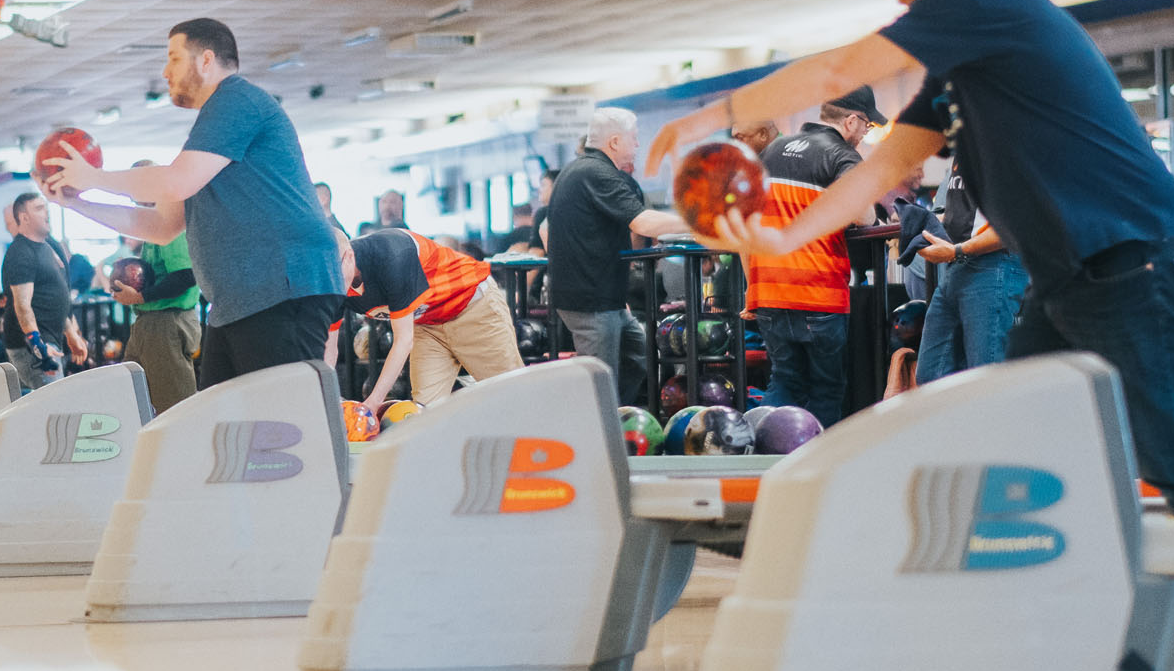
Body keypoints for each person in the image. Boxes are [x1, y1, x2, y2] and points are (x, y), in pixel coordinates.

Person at [647, 0, 1174, 671]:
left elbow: (846, 66)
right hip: (1067, 279)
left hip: (1138, 260)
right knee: (1013, 440)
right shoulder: (962, 64)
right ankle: (1058, 623)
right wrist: (781, 236)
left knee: (1170, 453)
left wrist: (714, 114)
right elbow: (882, 171)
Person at [43, 18, 346, 388]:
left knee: (283, 427)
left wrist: (94, 179)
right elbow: (161, 225)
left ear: (205, 60)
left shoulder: (237, 100)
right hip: (241, 302)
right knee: (221, 427)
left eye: (173, 58)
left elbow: (174, 181)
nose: (166, 71)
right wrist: (78, 203)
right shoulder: (211, 133)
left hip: (282, 291)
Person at [724, 87, 884, 430]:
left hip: (769, 293)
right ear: (851, 121)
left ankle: (760, 455)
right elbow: (865, 217)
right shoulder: (841, 155)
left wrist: (752, 291)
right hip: (817, 293)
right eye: (866, 127)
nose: (864, 135)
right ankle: (816, 468)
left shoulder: (770, 152)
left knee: (784, 382)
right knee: (826, 389)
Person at [541, 107, 689, 402]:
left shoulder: (583, 169)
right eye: (633, 139)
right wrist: (700, 220)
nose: (637, 145)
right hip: (590, 302)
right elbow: (643, 222)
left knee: (638, 356)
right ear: (614, 142)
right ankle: (598, 438)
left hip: (606, 299)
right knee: (599, 385)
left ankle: (618, 423)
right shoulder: (596, 173)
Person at [337, 226, 522, 411]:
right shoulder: (327, 284)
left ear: (348, 257)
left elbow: (403, 341)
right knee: (425, 412)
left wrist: (373, 402)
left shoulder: (391, 254)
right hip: (428, 325)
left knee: (512, 396)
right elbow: (328, 351)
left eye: (332, 269)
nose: (329, 279)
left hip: (473, 307)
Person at [914, 161, 1028, 384]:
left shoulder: (1011, 143)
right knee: (930, 378)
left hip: (994, 265)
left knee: (986, 379)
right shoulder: (967, 148)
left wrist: (956, 251)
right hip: (958, 266)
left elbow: (1015, 224)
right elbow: (964, 215)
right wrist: (925, 224)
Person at [113, 164, 202, 413]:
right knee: (128, 397)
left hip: (165, 324)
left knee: (175, 408)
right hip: (149, 323)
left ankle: (184, 451)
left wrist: (140, 295)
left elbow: (186, 275)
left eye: (133, 186)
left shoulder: (168, 221)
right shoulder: (153, 225)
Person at [0, 191, 90, 382]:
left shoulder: (49, 245)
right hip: (32, 346)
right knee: (53, 407)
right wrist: (38, 346)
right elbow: (22, 306)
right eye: (39, 209)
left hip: (52, 340)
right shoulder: (20, 253)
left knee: (56, 404)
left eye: (46, 207)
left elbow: (55, 296)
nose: (46, 212)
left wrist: (71, 333)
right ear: (24, 218)